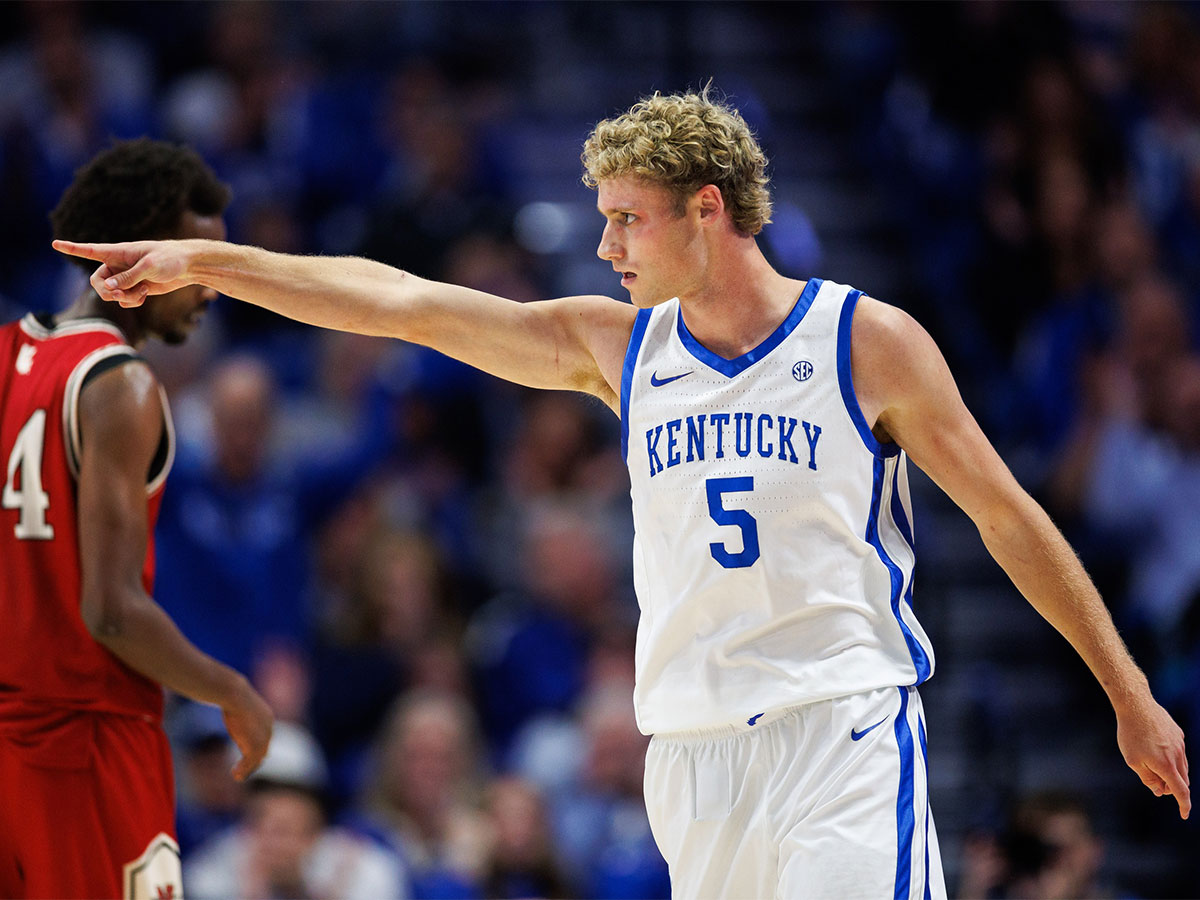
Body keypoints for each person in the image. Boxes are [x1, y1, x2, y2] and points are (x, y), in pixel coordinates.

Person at [54, 88, 1190, 900]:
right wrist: (213, 264)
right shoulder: (618, 349)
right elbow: (396, 302)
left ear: (708, 209)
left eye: (624, 217)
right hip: (689, 752)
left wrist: (1128, 692)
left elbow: (1007, 513)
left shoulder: (866, 341)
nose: (603, 248)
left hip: (840, 727)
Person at [0, 139, 274, 900]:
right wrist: (231, 692)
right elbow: (112, 612)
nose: (210, 288)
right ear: (136, 253)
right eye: (199, 263)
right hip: (86, 739)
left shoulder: (9, 354)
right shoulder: (121, 385)